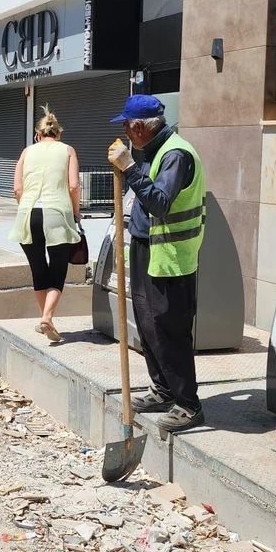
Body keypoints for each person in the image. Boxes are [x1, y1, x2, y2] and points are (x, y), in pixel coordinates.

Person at [107, 94, 207, 432]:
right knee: (147, 325)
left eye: (125, 124)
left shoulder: (175, 154)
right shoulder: (151, 151)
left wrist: (130, 169)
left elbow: (160, 203)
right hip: (146, 249)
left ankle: (188, 404)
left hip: (171, 257)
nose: (123, 129)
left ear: (137, 127)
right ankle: (164, 389)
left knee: (169, 328)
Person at [8, 106, 81, 342]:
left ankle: (46, 318)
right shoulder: (67, 150)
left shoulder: (26, 152)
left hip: (28, 214)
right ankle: (47, 318)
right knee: (57, 270)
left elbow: (17, 189)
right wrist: (76, 213)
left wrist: (25, 206)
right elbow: (73, 186)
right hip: (56, 212)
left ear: (38, 135)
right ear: (58, 134)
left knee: (38, 270)